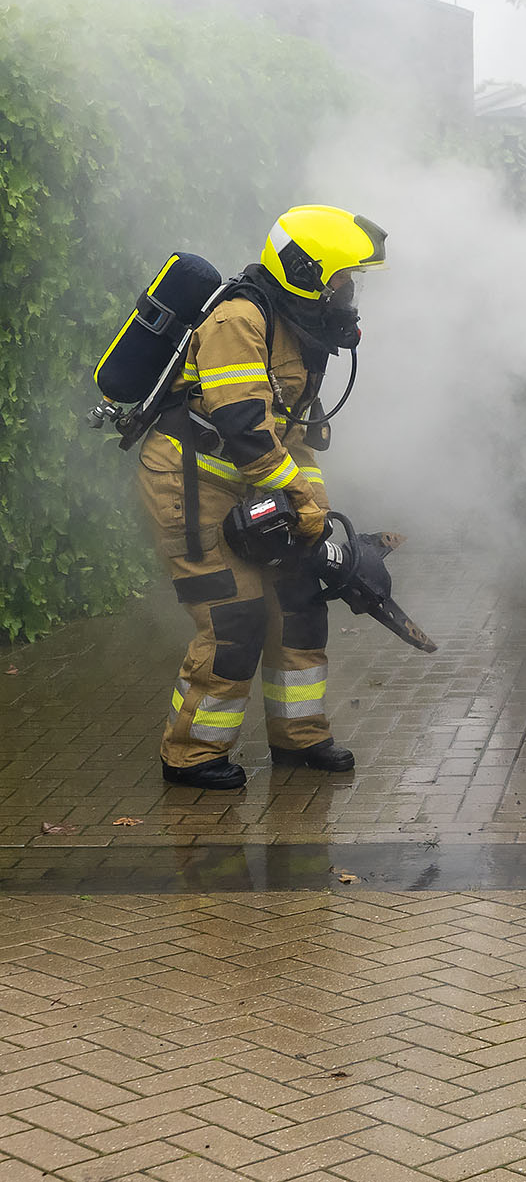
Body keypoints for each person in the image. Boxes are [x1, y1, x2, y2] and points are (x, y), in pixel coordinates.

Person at [136, 206, 387, 790]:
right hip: (190, 483)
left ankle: (300, 736)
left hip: (254, 484)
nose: (348, 293)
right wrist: (300, 501)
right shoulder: (239, 320)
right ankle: (191, 754)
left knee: (299, 600)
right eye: (342, 278)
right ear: (305, 270)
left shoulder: (299, 329)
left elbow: (294, 439)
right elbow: (247, 429)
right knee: (235, 616)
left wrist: (314, 513)